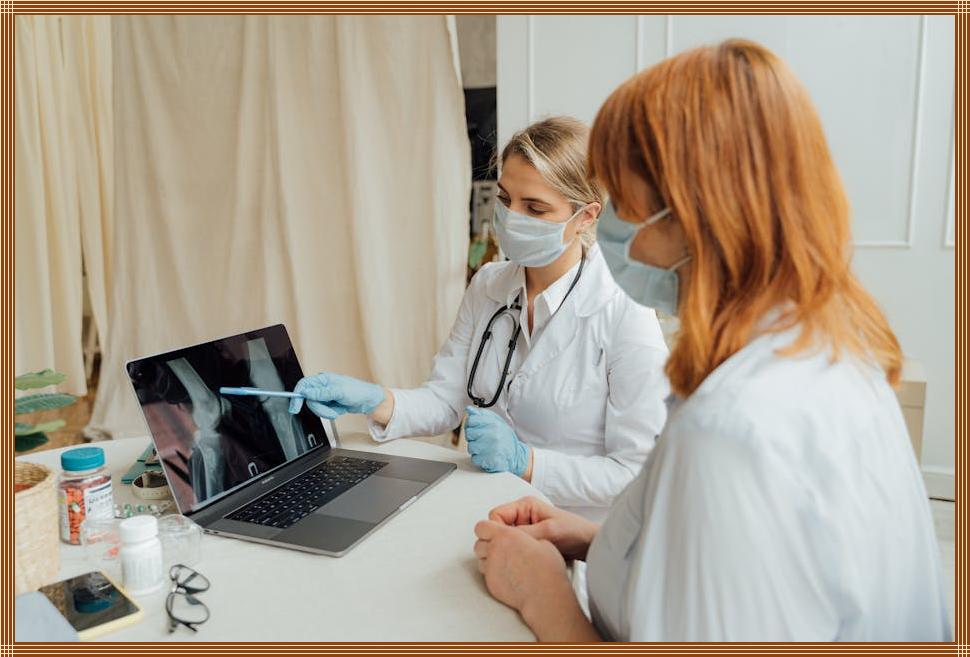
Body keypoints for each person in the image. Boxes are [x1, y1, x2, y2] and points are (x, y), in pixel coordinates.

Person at [472, 40, 952, 641]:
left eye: (624, 203)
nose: (610, 227)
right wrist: (593, 538)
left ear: (697, 217)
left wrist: (542, 591)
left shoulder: (732, 430)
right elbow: (745, 570)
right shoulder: (827, 350)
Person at [289, 117, 669, 520]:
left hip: (572, 530)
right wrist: (373, 400)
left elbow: (636, 474)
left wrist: (526, 463)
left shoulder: (623, 310)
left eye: (535, 207)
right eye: (505, 199)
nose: (512, 217)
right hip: (486, 512)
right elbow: (445, 400)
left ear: (587, 216)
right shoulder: (489, 284)